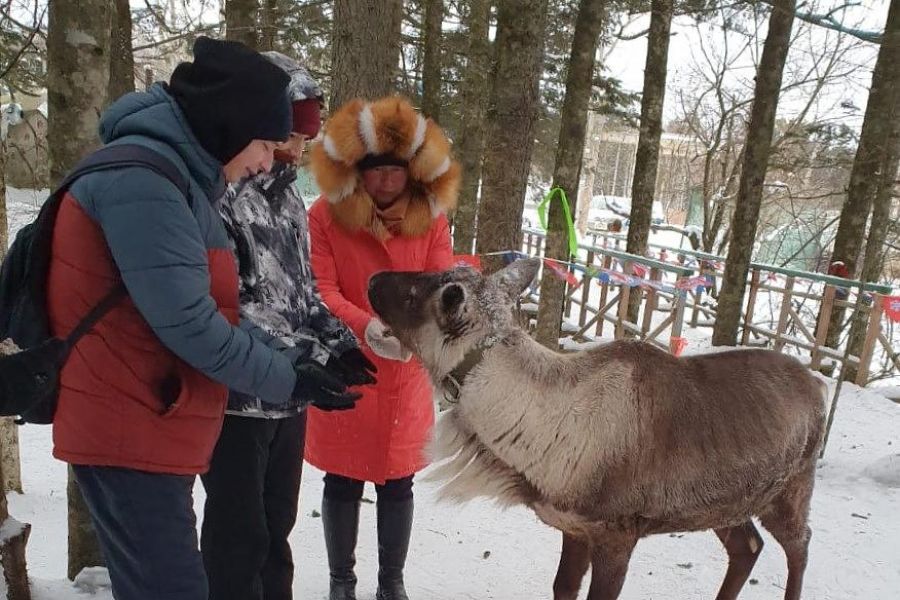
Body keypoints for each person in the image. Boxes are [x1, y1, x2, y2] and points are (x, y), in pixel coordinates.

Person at [46, 37, 365, 600]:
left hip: (154, 415)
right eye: (268, 142)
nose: (272, 159)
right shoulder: (146, 184)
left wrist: (309, 352)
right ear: (233, 124)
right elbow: (192, 324)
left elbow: (236, 303)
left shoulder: (181, 180)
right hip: (129, 419)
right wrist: (288, 374)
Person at [200, 52, 376, 600]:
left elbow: (301, 294)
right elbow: (229, 307)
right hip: (236, 400)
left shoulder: (292, 205)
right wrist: (305, 356)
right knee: (238, 537)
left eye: (307, 139)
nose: (300, 152)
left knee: (278, 530)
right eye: (292, 138)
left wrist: (340, 343)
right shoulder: (218, 194)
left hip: (289, 401)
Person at [305, 96, 461, 600]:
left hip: (406, 372)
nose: (386, 181)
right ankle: (340, 582)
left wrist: (414, 332)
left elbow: (440, 279)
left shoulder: (432, 219)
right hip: (349, 363)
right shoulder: (324, 218)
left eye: (396, 170)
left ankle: (391, 583)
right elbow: (321, 288)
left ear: (412, 172)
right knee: (342, 480)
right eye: (376, 170)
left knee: (398, 482)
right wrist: (366, 327)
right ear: (358, 171)